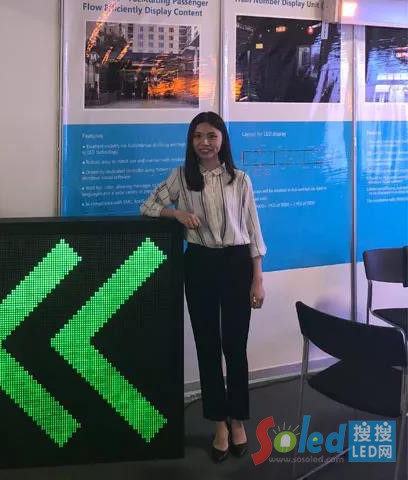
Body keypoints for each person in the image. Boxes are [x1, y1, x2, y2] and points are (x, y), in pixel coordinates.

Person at [140, 111, 266, 463]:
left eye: (211, 135)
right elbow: (148, 206)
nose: (204, 142)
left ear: (222, 139)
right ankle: (219, 424)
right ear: (190, 141)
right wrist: (177, 214)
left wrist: (257, 278)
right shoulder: (181, 177)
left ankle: (238, 419)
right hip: (199, 264)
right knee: (207, 345)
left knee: (235, 345)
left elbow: (254, 231)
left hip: (237, 264)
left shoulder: (240, 180)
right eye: (198, 136)